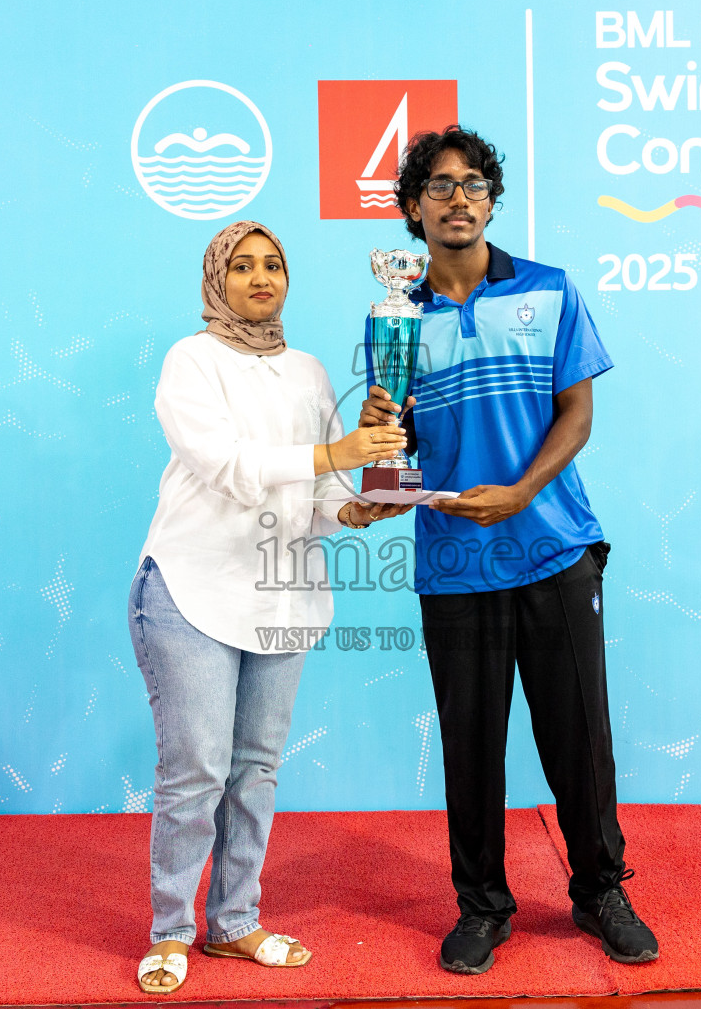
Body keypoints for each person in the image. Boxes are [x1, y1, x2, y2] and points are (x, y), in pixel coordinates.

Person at [358, 128, 658, 973]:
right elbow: (396, 443)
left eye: (474, 184)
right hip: (453, 564)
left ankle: (601, 892)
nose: (459, 198)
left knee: (579, 739)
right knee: (471, 743)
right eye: (440, 186)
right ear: (412, 209)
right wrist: (377, 491)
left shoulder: (552, 292)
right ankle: (483, 907)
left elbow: (577, 416)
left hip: (556, 548)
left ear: (492, 199)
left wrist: (522, 495)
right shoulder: (395, 317)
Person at [130, 220, 408, 995]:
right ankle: (171, 930)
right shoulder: (192, 361)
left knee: (255, 770)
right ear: (217, 279)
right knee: (197, 771)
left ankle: (234, 922)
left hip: (282, 595)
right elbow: (226, 467)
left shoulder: (311, 373)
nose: (261, 277)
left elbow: (316, 497)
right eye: (244, 265)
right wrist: (335, 457)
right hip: (191, 587)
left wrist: (354, 510)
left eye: (274, 264)